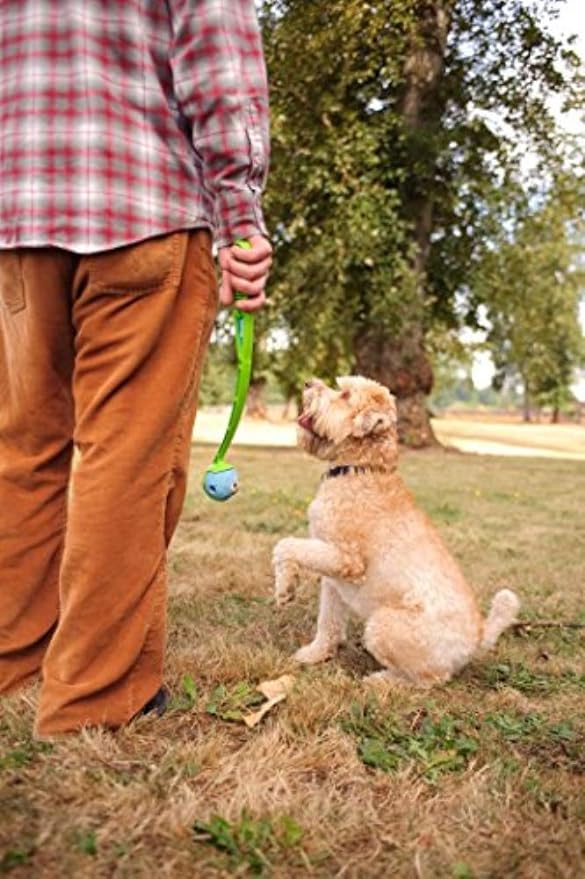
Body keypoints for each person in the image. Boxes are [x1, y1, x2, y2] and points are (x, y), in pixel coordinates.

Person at [0, 0, 272, 738]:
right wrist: (241, 218)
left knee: (26, 452)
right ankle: (95, 694)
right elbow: (218, 64)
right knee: (127, 456)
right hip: (144, 207)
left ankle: (16, 664)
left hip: (17, 218)